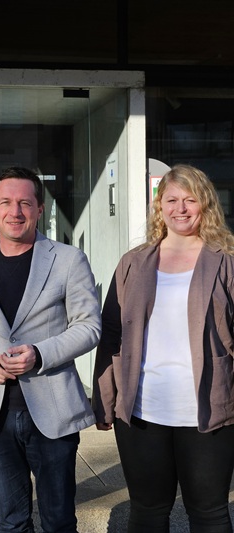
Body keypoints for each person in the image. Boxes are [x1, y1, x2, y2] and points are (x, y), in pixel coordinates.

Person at [0, 166, 101, 533]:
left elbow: (89, 327)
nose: (15, 212)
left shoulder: (68, 259)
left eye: (25, 203)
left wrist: (40, 353)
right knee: (11, 523)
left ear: (39, 209)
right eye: (5, 202)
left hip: (53, 413)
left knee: (59, 522)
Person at [93, 164, 234, 532]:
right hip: (143, 410)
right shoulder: (133, 263)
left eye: (190, 200)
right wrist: (104, 400)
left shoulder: (227, 261)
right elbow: (111, 335)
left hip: (210, 411)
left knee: (210, 513)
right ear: (159, 206)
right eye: (171, 200)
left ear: (205, 204)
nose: (180, 208)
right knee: (147, 512)